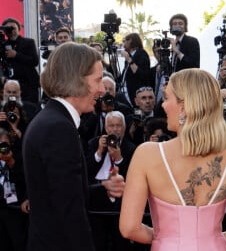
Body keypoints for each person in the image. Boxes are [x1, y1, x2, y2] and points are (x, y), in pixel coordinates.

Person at [119, 68, 226, 250]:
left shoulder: (146, 154)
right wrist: (211, 239)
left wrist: (166, 237)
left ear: (183, 106)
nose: (162, 105)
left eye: (167, 98)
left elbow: (129, 228)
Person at [22, 42, 125, 251]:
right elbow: (70, 212)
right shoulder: (58, 128)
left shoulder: (51, 120)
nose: (102, 89)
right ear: (76, 80)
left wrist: (101, 189)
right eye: (97, 80)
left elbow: (61, 192)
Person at [87, 111, 136, 251]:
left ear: (124, 128)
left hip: (120, 204)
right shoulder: (93, 143)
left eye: (118, 126)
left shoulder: (131, 148)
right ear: (106, 128)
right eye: (111, 126)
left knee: (120, 243)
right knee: (97, 242)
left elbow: (131, 177)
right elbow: (86, 171)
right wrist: (99, 153)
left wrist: (119, 159)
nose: (114, 129)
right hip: (97, 199)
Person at [1, 17, 39, 104]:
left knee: (30, 108)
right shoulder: (3, 44)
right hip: (11, 84)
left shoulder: (28, 42)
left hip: (28, 83)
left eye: (13, 28)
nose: (11, 31)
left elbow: (34, 61)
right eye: (8, 29)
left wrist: (16, 55)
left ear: (18, 29)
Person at [117, 33, 151, 108]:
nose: (123, 44)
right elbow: (124, 75)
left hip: (135, 94)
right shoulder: (130, 55)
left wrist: (129, 59)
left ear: (131, 41)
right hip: (125, 92)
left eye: (125, 41)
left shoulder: (141, 54)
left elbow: (143, 75)